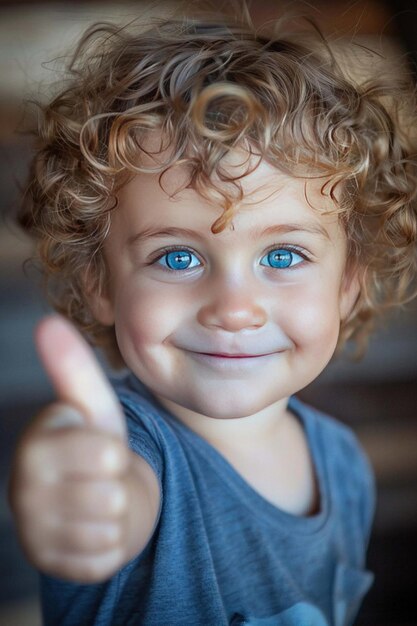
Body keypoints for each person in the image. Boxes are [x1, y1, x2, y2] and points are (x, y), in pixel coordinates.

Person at [8, 9, 417, 626]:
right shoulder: (132, 457)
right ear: (99, 282)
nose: (233, 309)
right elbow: (120, 494)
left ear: (349, 284)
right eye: (177, 256)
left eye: (283, 255)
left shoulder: (342, 463)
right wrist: (86, 497)